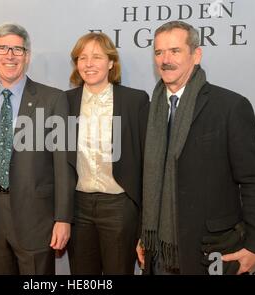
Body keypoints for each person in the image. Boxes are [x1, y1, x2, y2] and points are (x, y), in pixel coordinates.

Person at [136, 21, 255, 275]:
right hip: (157, 251)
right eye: (158, 52)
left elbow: (253, 180)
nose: (165, 59)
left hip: (211, 249)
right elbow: (147, 181)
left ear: (196, 55)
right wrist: (143, 234)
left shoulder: (230, 107)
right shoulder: (147, 112)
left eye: (175, 51)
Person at [0, 23, 73, 275]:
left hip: (37, 218)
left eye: (17, 49)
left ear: (27, 56)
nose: (9, 56)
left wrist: (63, 218)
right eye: (2, 48)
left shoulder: (53, 99)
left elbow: (63, 165)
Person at [66, 32, 149, 274]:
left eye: (97, 57)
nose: (89, 64)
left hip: (119, 206)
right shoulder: (64, 101)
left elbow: (148, 162)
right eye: (82, 58)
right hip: (77, 206)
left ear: (111, 62)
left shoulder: (135, 101)